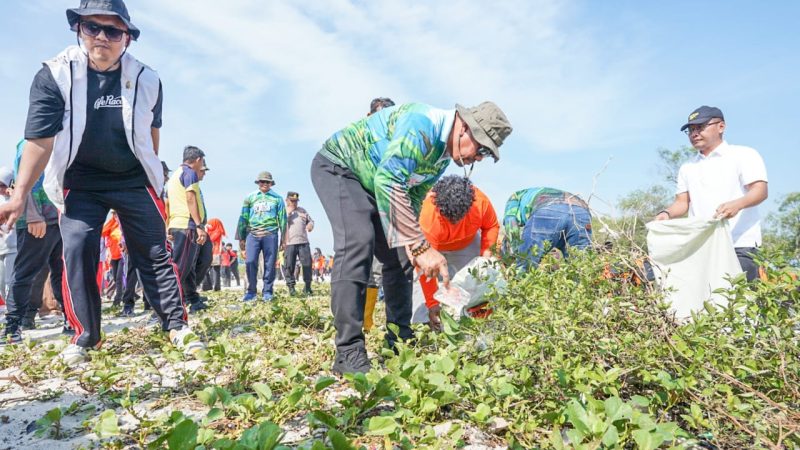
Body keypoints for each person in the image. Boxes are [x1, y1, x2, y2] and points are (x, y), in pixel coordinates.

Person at [0, 0, 204, 362]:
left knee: (155, 252)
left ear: (126, 37)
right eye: (92, 27)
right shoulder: (55, 75)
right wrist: (18, 197)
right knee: (76, 249)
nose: (102, 38)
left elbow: (151, 132)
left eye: (112, 31)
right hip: (80, 181)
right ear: (79, 29)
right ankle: (86, 336)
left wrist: (153, 173)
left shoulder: (148, 79)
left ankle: (176, 325)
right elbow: (38, 141)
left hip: (132, 179)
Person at [311, 101, 512, 374]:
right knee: (359, 241)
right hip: (341, 169)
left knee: (399, 259)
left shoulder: (442, 154)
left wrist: (412, 244)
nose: (478, 159)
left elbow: (413, 194)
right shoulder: (422, 125)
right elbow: (390, 179)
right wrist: (419, 245)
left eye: (486, 156)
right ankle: (348, 351)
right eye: (482, 149)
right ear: (465, 128)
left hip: (376, 182)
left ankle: (398, 340)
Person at [655, 106, 768, 282]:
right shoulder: (688, 167)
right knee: (703, 304)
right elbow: (682, 203)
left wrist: (736, 205)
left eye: (700, 127)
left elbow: (760, 191)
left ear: (721, 127)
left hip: (739, 244)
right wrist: (666, 213)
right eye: (691, 130)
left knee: (741, 303)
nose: (694, 133)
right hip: (702, 246)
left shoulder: (743, 155)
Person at [2, 141, 68, 344]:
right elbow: (24, 179)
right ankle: (13, 325)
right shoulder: (31, 143)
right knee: (25, 272)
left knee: (61, 272)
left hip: (59, 216)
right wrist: (33, 215)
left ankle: (70, 319)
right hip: (37, 218)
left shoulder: (61, 140)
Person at [417, 176, 500, 331]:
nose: (454, 223)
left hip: (466, 243)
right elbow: (425, 268)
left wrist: (486, 256)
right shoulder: (428, 215)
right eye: (449, 218)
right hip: (434, 247)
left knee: (479, 281)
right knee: (426, 289)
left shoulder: (480, 202)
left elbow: (491, 226)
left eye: (459, 217)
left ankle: (476, 324)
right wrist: (432, 303)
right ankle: (427, 325)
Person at [501, 187, 593, 271]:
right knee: (580, 268)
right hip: (582, 211)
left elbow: (511, 224)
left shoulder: (514, 197)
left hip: (547, 209)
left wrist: (515, 256)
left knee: (526, 265)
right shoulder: (533, 193)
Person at [167, 146, 209, 313]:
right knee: (181, 268)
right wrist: (199, 225)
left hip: (177, 224)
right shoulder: (190, 173)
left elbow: (169, 203)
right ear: (198, 160)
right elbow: (190, 198)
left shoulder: (174, 176)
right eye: (203, 162)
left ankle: (192, 299)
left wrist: (168, 226)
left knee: (187, 266)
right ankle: (167, 305)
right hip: (186, 225)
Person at [237, 171, 286, 301]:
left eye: (267, 182)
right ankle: (251, 291)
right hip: (253, 234)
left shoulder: (277, 199)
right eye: (262, 181)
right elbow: (243, 218)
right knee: (250, 261)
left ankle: (268, 291)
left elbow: (283, 219)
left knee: (270, 264)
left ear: (271, 183)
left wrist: (284, 239)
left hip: (271, 234)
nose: (264, 184)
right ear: (258, 183)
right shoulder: (250, 198)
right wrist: (241, 238)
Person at [283, 191, 315, 296]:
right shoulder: (283, 211)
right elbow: (280, 223)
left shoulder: (302, 211)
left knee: (307, 265)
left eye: (296, 201)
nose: (294, 203)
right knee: (289, 266)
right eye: (292, 201)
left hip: (303, 242)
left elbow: (311, 221)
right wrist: (288, 213)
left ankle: (308, 286)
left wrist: (310, 225)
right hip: (290, 243)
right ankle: (291, 287)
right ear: (287, 200)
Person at [0, 167, 16, 302]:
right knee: (1, 283)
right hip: (1, 248)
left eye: (2, 185)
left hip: (14, 247)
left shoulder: (17, 199)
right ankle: (9, 308)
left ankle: (13, 311)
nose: (0, 189)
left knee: (9, 282)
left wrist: (14, 194)